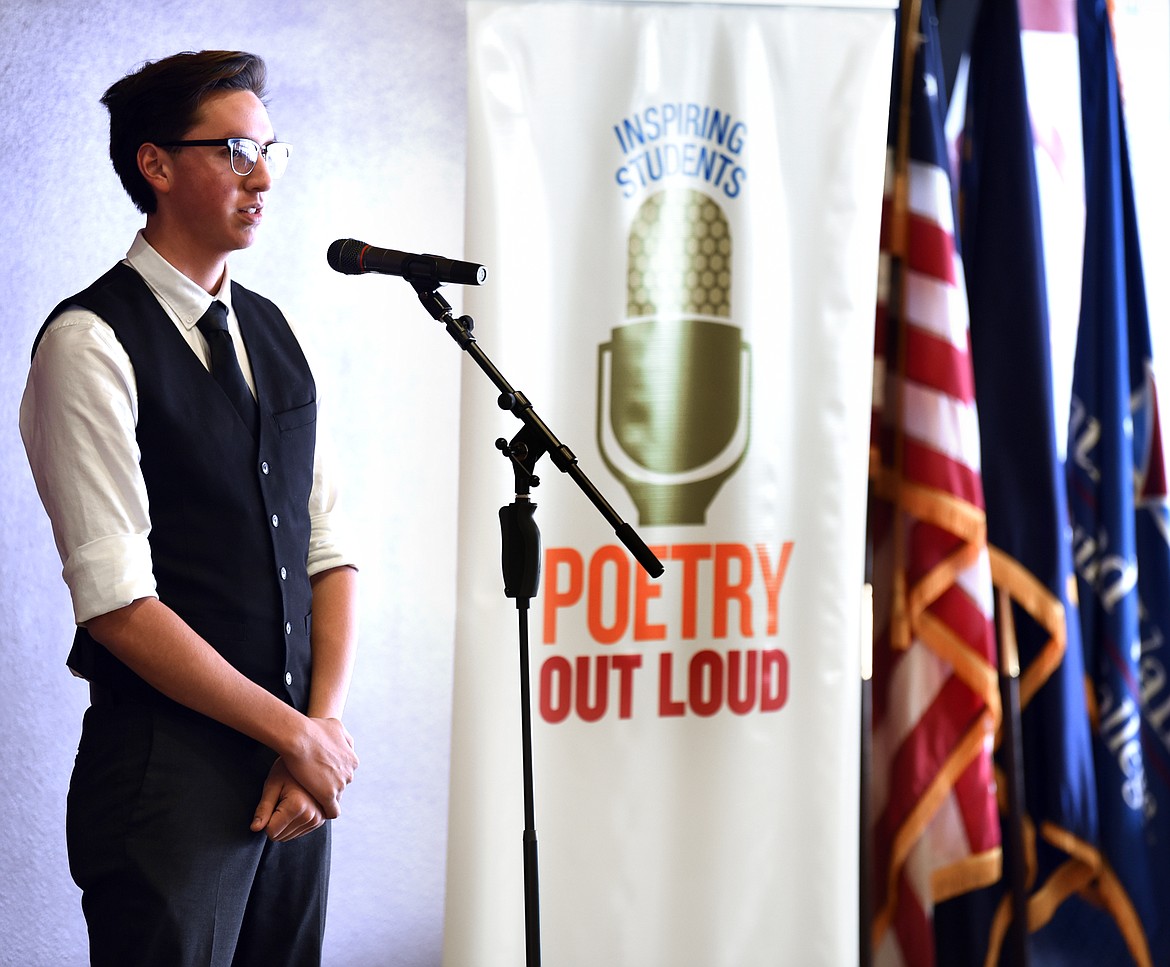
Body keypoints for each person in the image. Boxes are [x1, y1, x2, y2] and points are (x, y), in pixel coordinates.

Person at [19, 50, 359, 966]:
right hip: (167, 783)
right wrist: (295, 732)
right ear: (156, 165)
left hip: (294, 780)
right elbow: (117, 603)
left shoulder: (275, 331)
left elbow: (327, 548)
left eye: (271, 151)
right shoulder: (88, 341)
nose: (261, 176)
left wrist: (315, 735)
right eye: (235, 149)